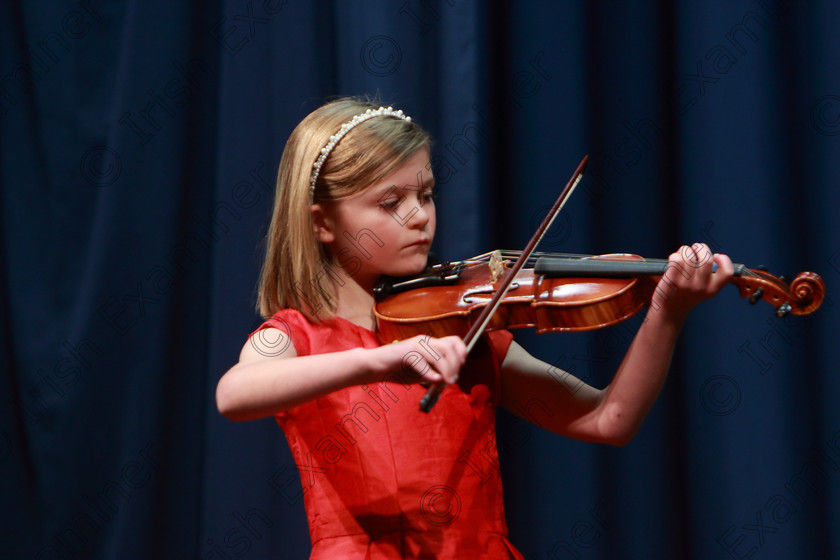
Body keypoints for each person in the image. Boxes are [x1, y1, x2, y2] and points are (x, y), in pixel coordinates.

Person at [215, 97, 734, 559]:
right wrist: (380, 360)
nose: (420, 216)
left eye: (426, 193)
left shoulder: (464, 331)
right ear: (322, 223)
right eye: (390, 203)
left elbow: (608, 419)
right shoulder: (295, 338)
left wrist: (667, 312)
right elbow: (234, 393)